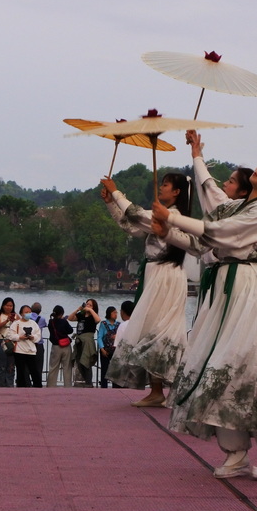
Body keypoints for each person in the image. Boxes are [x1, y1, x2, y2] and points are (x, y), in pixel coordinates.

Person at [152, 150, 257, 480]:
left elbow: (216, 232)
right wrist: (167, 232)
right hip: (223, 292)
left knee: (242, 366)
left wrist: (172, 217)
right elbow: (204, 240)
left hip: (246, 290)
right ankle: (235, 452)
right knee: (215, 368)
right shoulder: (240, 207)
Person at [101, 171, 191, 405]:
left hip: (164, 275)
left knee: (157, 329)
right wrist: (112, 204)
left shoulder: (172, 215)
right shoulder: (168, 215)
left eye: (165, 185)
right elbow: (132, 226)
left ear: (177, 191)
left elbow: (137, 214)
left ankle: (160, 389)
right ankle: (157, 390)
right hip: (158, 274)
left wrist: (115, 191)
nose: (161, 188)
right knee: (154, 328)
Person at [6, 305, 42, 387]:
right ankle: (21, 387)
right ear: (21, 313)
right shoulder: (16, 323)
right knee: (20, 372)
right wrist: (20, 337)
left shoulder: (34, 324)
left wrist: (32, 337)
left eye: (30, 312)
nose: (28, 314)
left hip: (31, 351)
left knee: (34, 371)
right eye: (26, 312)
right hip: (19, 351)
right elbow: (10, 335)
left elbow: (38, 336)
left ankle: (38, 387)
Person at [68, 299, 100, 387]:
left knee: (86, 362)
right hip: (79, 341)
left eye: (90, 304)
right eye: (87, 304)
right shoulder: (81, 315)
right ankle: (85, 381)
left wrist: (90, 310)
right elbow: (70, 318)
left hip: (88, 341)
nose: (87, 305)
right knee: (78, 362)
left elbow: (98, 320)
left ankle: (89, 382)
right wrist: (78, 309)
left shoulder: (93, 316)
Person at [46, 305, 73, 388]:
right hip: (66, 346)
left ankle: (51, 386)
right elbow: (70, 330)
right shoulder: (64, 321)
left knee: (53, 367)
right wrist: (64, 320)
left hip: (55, 346)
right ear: (62, 313)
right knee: (67, 367)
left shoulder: (51, 322)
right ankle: (67, 386)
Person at [0, 298, 17, 388]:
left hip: (12, 342)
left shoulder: (16, 316)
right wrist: (7, 320)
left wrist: (13, 320)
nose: (9, 307)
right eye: (7, 305)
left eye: (11, 306)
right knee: (2, 365)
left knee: (11, 366)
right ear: (3, 306)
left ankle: (10, 385)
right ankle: (1, 385)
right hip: (0, 341)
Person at [96, 307, 120, 389]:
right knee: (104, 370)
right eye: (114, 313)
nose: (116, 314)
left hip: (115, 351)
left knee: (115, 371)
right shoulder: (103, 324)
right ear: (109, 313)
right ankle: (104, 387)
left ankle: (115, 387)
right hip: (105, 350)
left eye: (116, 313)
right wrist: (102, 348)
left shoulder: (118, 325)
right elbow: (99, 337)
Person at [31, 302, 47, 380]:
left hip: (28, 343)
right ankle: (37, 382)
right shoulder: (42, 319)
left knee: (27, 365)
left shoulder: (27, 317)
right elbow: (44, 325)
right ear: (40, 311)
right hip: (39, 344)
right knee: (38, 365)